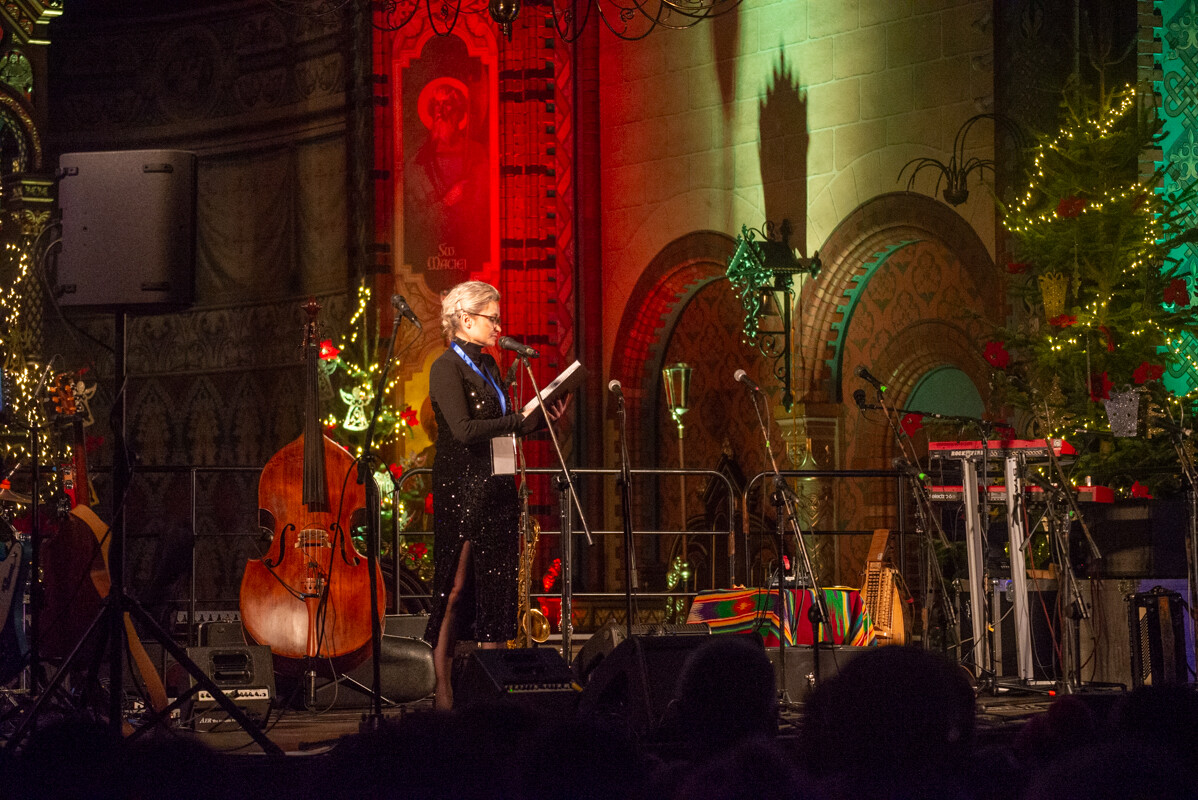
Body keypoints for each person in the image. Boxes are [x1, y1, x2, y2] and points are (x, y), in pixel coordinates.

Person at [423, 280, 567, 710]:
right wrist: (518, 425)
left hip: (500, 487)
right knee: (456, 587)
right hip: (463, 486)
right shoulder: (446, 367)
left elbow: (507, 424)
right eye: (492, 318)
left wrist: (542, 420)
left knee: (497, 589)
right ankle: (444, 689)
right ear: (466, 319)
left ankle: (490, 692)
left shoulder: (489, 365)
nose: (499, 326)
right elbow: (465, 430)